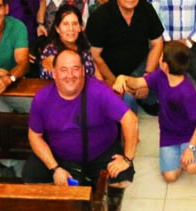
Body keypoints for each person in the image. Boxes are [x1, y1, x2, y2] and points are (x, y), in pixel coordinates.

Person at [23, 49, 137, 188]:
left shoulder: (100, 91)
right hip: (59, 156)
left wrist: (127, 159)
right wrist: (55, 168)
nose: (70, 75)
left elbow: (130, 119)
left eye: (75, 68)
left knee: (122, 179)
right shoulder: (42, 98)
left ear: (83, 71)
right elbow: (35, 136)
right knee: (31, 178)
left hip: (101, 153)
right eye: (64, 70)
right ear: (54, 73)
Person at [114, 41, 196, 183]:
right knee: (170, 177)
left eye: (161, 56)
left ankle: (189, 152)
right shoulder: (160, 75)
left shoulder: (187, 92)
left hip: (189, 134)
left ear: (165, 65)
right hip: (169, 133)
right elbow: (138, 83)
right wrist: (123, 78)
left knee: (192, 167)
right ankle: (178, 158)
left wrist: (190, 148)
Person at [86, 0, 164, 114]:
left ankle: (142, 94)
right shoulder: (100, 17)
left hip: (140, 69)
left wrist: (145, 79)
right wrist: (117, 83)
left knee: (167, 75)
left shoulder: (146, 9)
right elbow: (95, 56)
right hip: (112, 74)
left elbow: (157, 43)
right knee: (125, 109)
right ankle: (131, 96)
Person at [39, 4, 94, 79]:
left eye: (75, 24)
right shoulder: (50, 53)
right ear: (57, 28)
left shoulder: (84, 50)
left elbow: (97, 77)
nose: (71, 29)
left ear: (80, 27)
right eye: (66, 24)